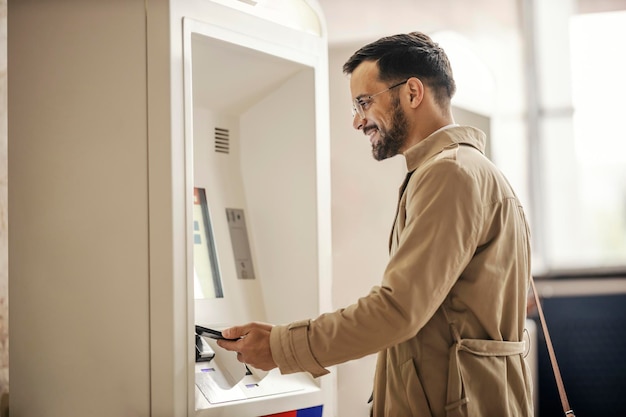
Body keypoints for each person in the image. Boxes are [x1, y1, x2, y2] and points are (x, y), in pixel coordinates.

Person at [218, 31, 534, 417]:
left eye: (364, 102)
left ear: (412, 93)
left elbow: (398, 310)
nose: (357, 121)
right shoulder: (463, 170)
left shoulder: (449, 174)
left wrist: (281, 345)